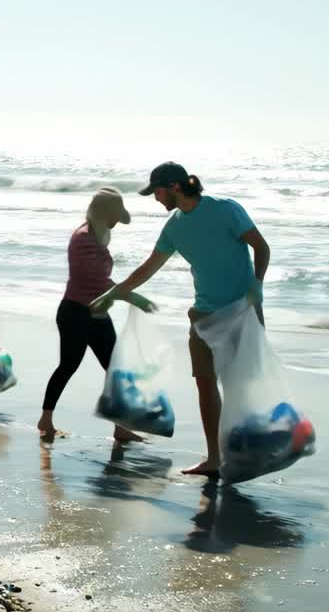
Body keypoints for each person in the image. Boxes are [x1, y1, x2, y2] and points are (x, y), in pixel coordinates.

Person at [91, 163, 270, 476]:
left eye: (157, 191)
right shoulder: (174, 226)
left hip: (242, 309)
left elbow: (261, 246)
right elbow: (148, 267)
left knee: (240, 383)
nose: (156, 198)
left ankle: (250, 451)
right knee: (205, 383)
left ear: (174, 186)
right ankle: (215, 459)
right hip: (203, 312)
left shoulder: (225, 210)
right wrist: (115, 292)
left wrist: (257, 283)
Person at [39, 187, 156, 442]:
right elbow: (99, 281)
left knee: (115, 369)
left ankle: (120, 427)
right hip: (75, 312)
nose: (117, 222)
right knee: (69, 365)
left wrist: (125, 295)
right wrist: (134, 297)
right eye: (115, 215)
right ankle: (45, 419)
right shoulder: (83, 239)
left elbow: (102, 283)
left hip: (98, 314)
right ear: (104, 213)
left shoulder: (99, 233)